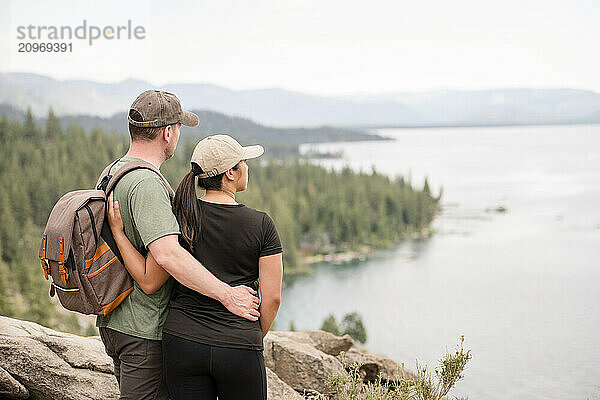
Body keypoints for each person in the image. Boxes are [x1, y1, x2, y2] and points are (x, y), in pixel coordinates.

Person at [98, 91, 260, 400]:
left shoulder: (114, 170)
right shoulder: (147, 184)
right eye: (179, 127)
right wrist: (227, 295)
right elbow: (165, 259)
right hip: (143, 329)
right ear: (168, 132)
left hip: (115, 321)